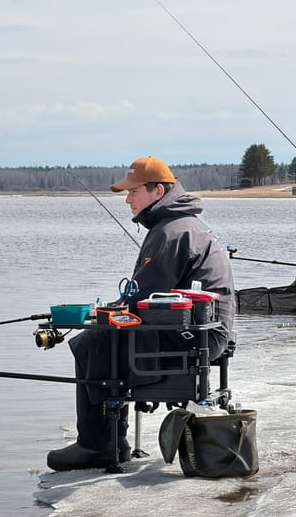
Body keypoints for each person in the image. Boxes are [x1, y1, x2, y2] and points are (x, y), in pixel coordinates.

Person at [47, 156, 236, 472]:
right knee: (101, 336)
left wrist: (102, 315)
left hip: (196, 335)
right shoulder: (178, 225)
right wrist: (111, 309)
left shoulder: (171, 232)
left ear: (158, 191)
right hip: (203, 329)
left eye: (134, 191)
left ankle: (97, 445)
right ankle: (108, 441)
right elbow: (147, 296)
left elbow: (140, 298)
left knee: (92, 342)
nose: (128, 199)